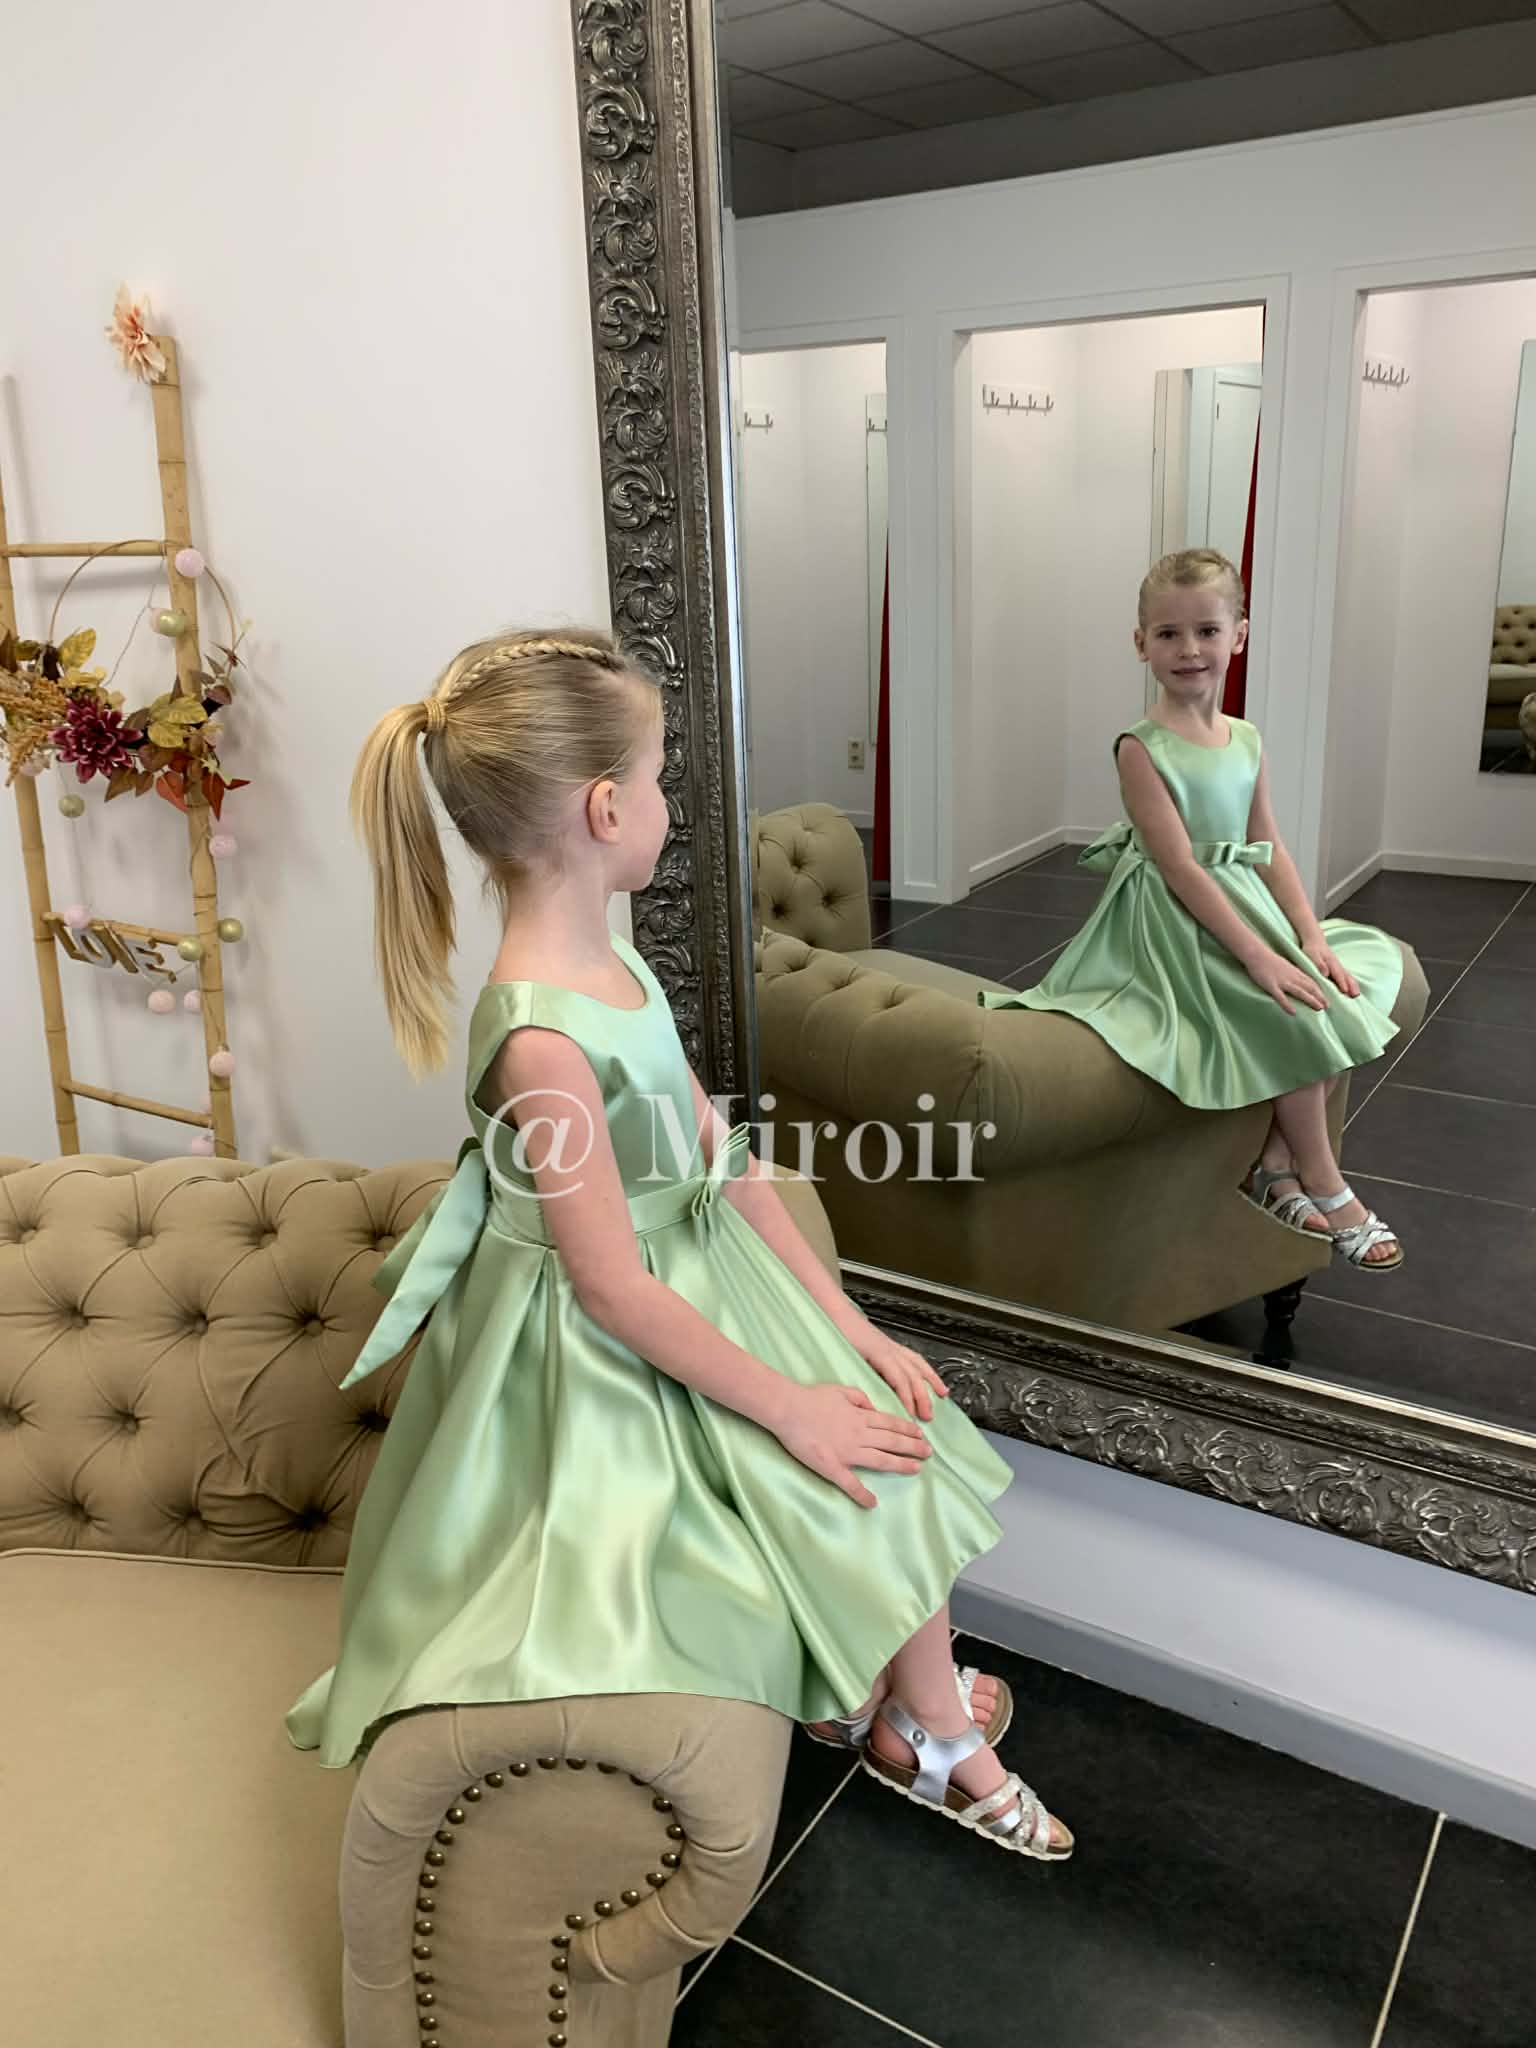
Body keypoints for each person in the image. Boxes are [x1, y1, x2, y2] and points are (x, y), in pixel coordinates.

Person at [286, 628, 1071, 1862]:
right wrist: (790, 1403)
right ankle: (927, 1728)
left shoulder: (615, 959)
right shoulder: (540, 1036)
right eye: (658, 780)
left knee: (880, 1414)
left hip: (695, 1271)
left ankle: (904, 1702)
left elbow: (723, 1156)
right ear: (605, 809)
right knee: (840, 1455)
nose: (667, 805)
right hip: (597, 1340)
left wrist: (848, 1327)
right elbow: (608, 1285)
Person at [981, 550, 1404, 1271]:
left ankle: (1275, 1168)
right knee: (1291, 1013)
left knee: (1335, 990)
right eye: (1168, 633)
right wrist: (1259, 958)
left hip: (1242, 904)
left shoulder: (1246, 738)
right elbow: (1178, 865)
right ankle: (1327, 1185)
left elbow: (1268, 845)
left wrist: (1308, 936)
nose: (1189, 649)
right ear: (1140, 642)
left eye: (1207, 630)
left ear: (1239, 634)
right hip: (1172, 919)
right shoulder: (1141, 748)